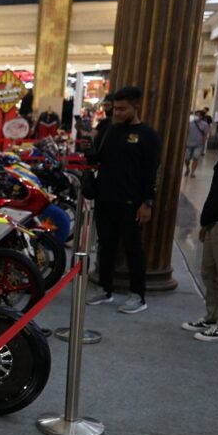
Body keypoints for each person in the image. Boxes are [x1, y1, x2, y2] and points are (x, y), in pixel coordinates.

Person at [87, 86, 161, 314]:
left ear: (135, 106)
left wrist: (147, 202)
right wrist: (89, 143)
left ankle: (138, 295)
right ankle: (105, 288)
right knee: (106, 246)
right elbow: (96, 159)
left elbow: (152, 172)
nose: (117, 113)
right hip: (105, 198)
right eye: (115, 108)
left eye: (122, 109)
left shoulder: (148, 135)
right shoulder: (109, 130)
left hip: (132, 203)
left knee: (133, 249)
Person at [181, 101, 218, 342]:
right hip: (215, 224)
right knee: (210, 273)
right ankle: (212, 317)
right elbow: (217, 190)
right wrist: (206, 222)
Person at [185, 110, 209, 178]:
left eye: (198, 115)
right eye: (196, 114)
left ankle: (192, 172)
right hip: (189, 143)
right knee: (187, 158)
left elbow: (205, 134)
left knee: (195, 158)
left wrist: (203, 143)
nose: (197, 116)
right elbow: (186, 132)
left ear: (202, 116)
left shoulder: (205, 125)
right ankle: (187, 168)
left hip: (198, 144)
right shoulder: (190, 123)